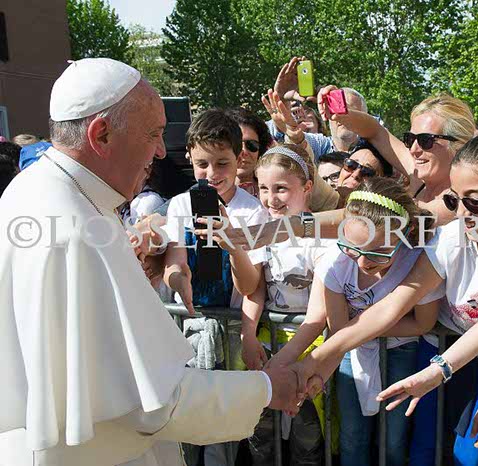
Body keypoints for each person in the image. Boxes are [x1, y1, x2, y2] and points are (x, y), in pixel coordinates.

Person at [0, 58, 302, 466]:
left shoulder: (33, 190)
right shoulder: (77, 232)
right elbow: (156, 402)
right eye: (154, 134)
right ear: (101, 134)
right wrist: (266, 389)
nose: (161, 151)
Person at [291, 134, 478, 466]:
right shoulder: (449, 241)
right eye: (454, 200)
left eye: (475, 201)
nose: (462, 213)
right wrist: (319, 358)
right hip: (439, 345)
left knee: (471, 454)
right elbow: (392, 305)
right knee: (424, 446)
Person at [268, 177, 442, 466]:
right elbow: (339, 334)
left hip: (402, 351)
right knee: (352, 435)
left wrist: (362, 327)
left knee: (394, 438)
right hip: (352, 354)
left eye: (379, 253)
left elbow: (422, 323)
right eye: (352, 249)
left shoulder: (420, 263)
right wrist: (318, 376)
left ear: (404, 236)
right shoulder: (335, 264)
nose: (363, 262)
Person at [233, 144, 330, 465]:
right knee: (260, 429)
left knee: (307, 433)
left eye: (281, 189)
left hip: (310, 347)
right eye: (263, 188)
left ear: (307, 187)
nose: (271, 198)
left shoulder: (322, 237)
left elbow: (319, 313)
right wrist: (248, 336)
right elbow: (255, 291)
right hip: (268, 342)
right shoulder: (262, 231)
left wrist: (284, 362)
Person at [162, 108, 269, 313]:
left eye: (222, 163)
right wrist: (179, 280)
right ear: (190, 158)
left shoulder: (253, 211)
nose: (212, 173)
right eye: (202, 164)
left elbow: (248, 286)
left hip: (232, 321)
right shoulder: (180, 204)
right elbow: (173, 263)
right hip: (187, 317)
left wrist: (231, 244)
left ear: (238, 159)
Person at [316, 88, 475, 225]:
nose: (413, 150)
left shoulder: (459, 201)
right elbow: (375, 131)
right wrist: (340, 113)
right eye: (410, 139)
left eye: (425, 140)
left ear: (459, 145)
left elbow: (374, 219)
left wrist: (304, 224)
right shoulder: (418, 174)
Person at [227, 106, 274, 198]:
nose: (244, 151)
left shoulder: (274, 192)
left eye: (252, 145)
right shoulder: (207, 194)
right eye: (237, 144)